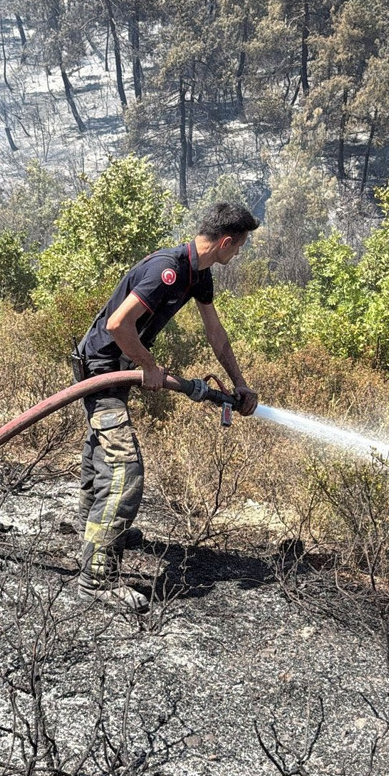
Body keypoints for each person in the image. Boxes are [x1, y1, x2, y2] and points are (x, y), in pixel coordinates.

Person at [74, 201, 260, 613]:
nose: (239, 253)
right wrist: (148, 365)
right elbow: (117, 325)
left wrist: (239, 383)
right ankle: (96, 578)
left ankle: (93, 529)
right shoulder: (168, 270)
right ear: (226, 241)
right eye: (240, 246)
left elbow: (216, 334)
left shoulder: (199, 273)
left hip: (116, 367)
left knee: (101, 450)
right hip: (103, 369)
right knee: (125, 467)